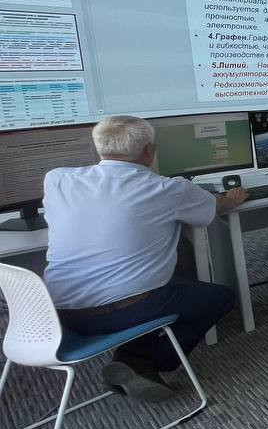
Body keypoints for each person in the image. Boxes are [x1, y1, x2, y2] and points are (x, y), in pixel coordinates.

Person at [43, 115, 248, 401]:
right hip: (125, 312)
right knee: (219, 297)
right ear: (150, 151)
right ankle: (141, 359)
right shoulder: (168, 189)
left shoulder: (57, 179)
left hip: (58, 314)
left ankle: (134, 357)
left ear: (99, 146)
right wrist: (234, 197)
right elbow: (214, 209)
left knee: (170, 282)